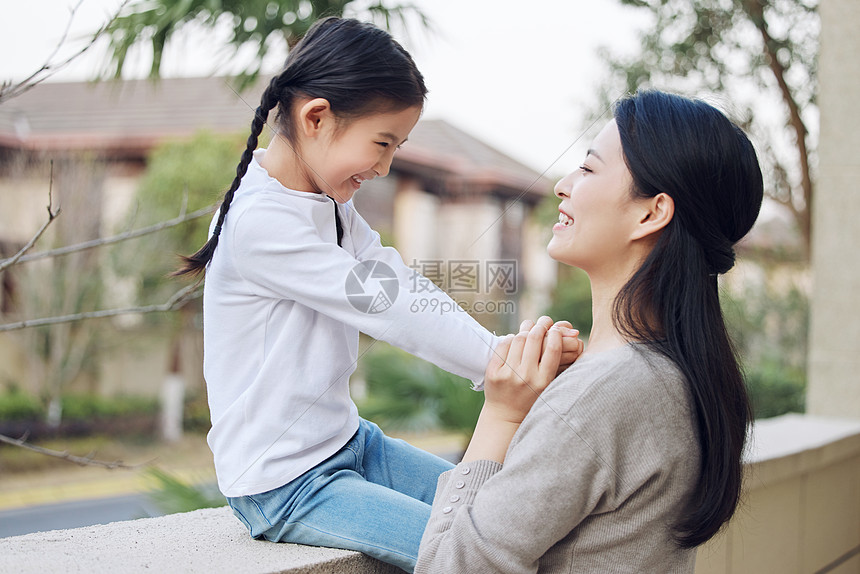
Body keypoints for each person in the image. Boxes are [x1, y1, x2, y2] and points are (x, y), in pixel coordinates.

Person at [174, 17, 580, 573]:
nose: (386, 166)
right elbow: (387, 306)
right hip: (286, 485)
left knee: (498, 513)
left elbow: (398, 283)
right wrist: (502, 366)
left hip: (354, 445)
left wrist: (506, 354)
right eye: (382, 143)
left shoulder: (328, 200)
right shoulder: (260, 224)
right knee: (465, 552)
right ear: (316, 117)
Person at [416, 90, 764, 573]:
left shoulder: (600, 395)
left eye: (588, 169)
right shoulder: (679, 375)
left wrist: (501, 414)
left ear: (651, 213)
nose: (562, 185)